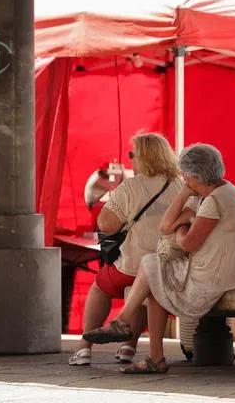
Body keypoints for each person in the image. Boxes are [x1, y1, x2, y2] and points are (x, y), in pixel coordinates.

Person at [83, 143, 235, 374]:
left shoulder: (213, 201)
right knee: (156, 277)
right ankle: (152, 354)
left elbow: (186, 242)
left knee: (150, 264)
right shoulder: (225, 191)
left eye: (186, 177)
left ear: (196, 176)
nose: (184, 180)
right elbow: (165, 226)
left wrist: (180, 227)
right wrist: (184, 202)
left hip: (217, 278)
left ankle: (124, 322)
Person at [69, 134, 182, 367]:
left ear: (144, 157)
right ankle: (129, 348)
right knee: (142, 291)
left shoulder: (131, 186)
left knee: (101, 286)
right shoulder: (180, 185)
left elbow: (105, 224)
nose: (131, 159)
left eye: (133, 154)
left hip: (132, 265)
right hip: (170, 267)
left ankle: (84, 349)